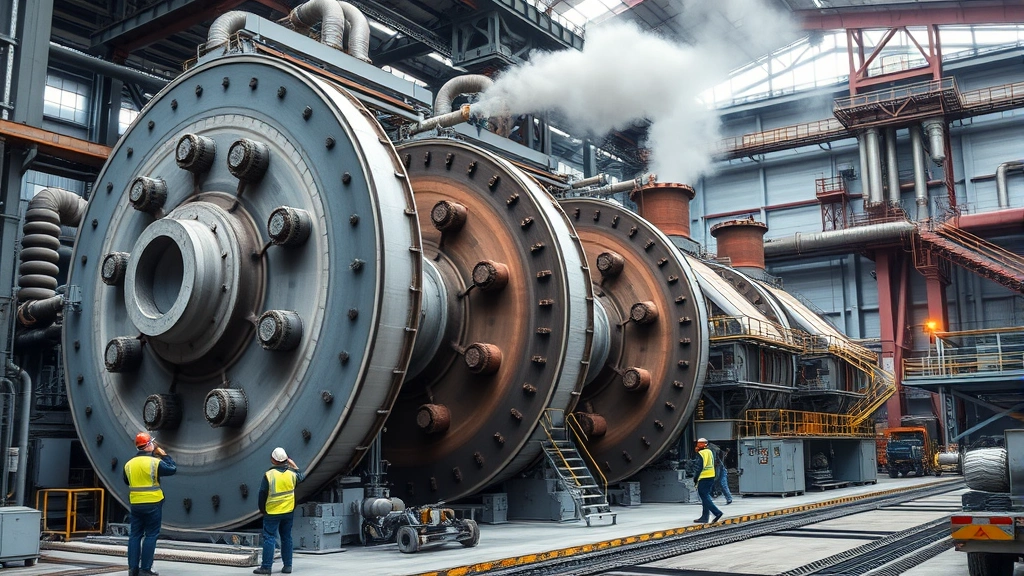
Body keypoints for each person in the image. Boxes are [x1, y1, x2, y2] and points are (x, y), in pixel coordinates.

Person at [123, 431, 176, 576]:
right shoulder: (155, 462)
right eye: (151, 443)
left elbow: (127, 481)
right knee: (151, 535)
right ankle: (145, 569)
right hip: (153, 503)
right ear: (147, 446)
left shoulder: (128, 465)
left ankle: (132, 569)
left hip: (136, 505)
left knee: (135, 535)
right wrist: (164, 455)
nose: (153, 444)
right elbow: (172, 469)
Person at [254, 447, 305, 575]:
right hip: (288, 512)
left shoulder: (269, 475)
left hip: (272, 512)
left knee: (269, 538)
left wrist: (262, 509)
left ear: (273, 460)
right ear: (286, 460)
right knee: (286, 537)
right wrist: (294, 465)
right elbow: (301, 476)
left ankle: (266, 567)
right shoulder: (292, 475)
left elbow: (262, 494)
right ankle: (288, 566)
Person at [692, 438, 723, 524]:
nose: (698, 445)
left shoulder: (701, 453)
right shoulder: (709, 451)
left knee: (704, 496)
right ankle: (705, 517)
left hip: (704, 477)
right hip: (711, 476)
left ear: (703, 444)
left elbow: (699, 467)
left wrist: (695, 478)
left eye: (699, 444)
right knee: (705, 496)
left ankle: (717, 512)